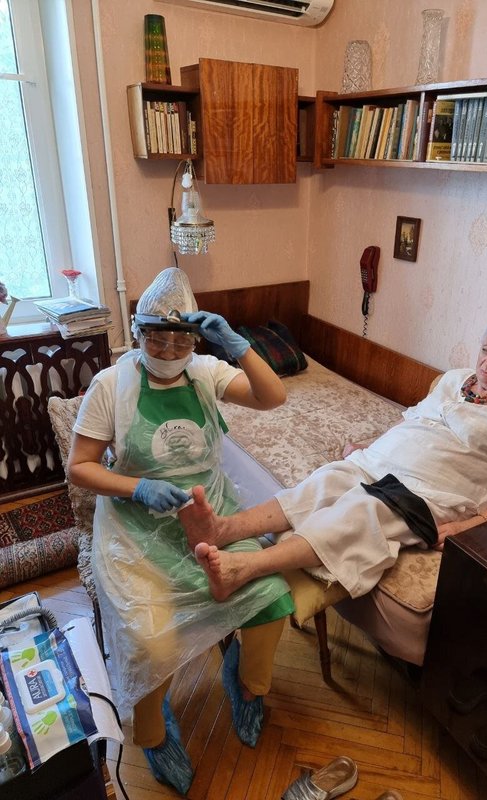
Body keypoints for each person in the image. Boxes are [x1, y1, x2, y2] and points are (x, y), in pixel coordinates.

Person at [67, 268, 294, 795]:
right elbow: (80, 467)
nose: (169, 351)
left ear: (196, 341)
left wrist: (240, 347)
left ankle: (247, 686)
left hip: (209, 519)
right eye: (156, 338)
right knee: (151, 641)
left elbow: (273, 397)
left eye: (181, 340)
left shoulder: (208, 373)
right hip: (135, 532)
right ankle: (152, 732)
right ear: (137, 332)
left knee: (272, 599)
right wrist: (137, 487)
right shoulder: (111, 386)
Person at [181, 313, 487, 606]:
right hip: (380, 461)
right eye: (485, 349)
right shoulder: (453, 380)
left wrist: (467, 527)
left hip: (426, 493)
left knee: (361, 511)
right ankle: (224, 529)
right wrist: (368, 446)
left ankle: (245, 568)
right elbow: (411, 421)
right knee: (323, 481)